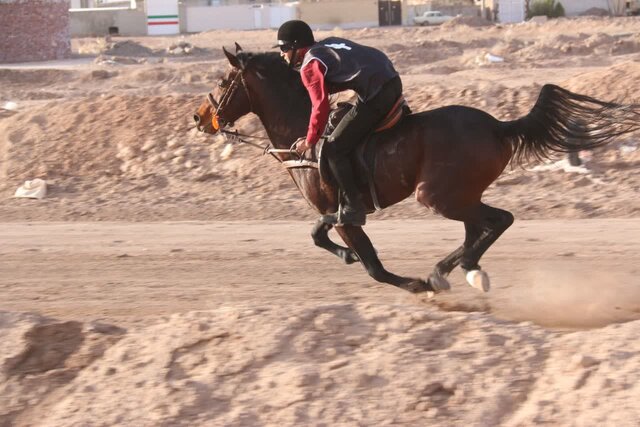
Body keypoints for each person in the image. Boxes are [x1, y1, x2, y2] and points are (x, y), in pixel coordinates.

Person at [275, 20, 403, 226]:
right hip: (391, 79)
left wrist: (309, 141)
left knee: (334, 147)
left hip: (377, 92)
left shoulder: (310, 64)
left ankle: (354, 207)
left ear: (297, 47)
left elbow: (320, 107)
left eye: (284, 48)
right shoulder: (327, 44)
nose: (282, 54)